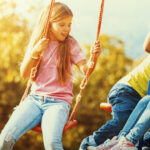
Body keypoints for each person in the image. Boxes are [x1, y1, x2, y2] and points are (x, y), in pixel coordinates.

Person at [0, 2, 101, 150]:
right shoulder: (39, 43)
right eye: (62, 24)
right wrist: (34, 53)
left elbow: (85, 71)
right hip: (34, 100)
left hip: (58, 103)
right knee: (5, 138)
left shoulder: (71, 44)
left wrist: (94, 58)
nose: (67, 29)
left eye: (69, 24)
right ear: (49, 23)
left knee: (53, 144)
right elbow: (24, 74)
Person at [80, 32, 150, 150]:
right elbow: (147, 46)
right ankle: (90, 143)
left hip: (140, 99)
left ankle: (130, 144)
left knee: (138, 133)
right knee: (124, 120)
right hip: (127, 90)